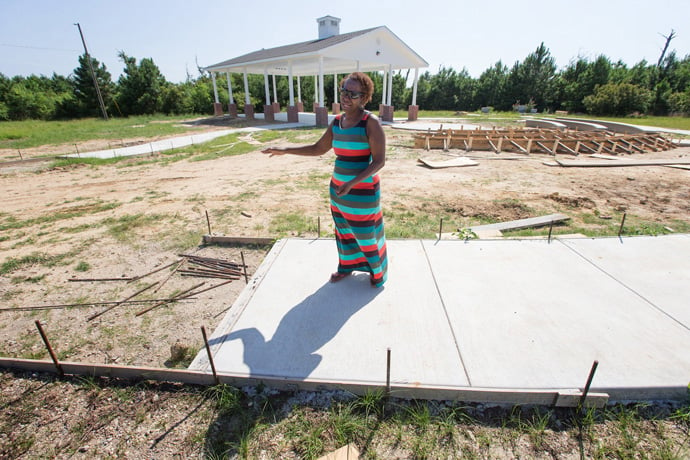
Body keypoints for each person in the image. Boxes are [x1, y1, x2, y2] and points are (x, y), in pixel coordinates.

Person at [262, 72, 388, 287]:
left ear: (365, 97)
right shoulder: (337, 122)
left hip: (362, 193)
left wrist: (351, 183)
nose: (346, 97)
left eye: (353, 94)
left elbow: (379, 162)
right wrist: (285, 149)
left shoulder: (371, 123)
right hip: (338, 191)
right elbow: (318, 148)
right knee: (344, 233)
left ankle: (377, 273)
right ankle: (346, 267)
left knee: (366, 235)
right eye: (344, 92)